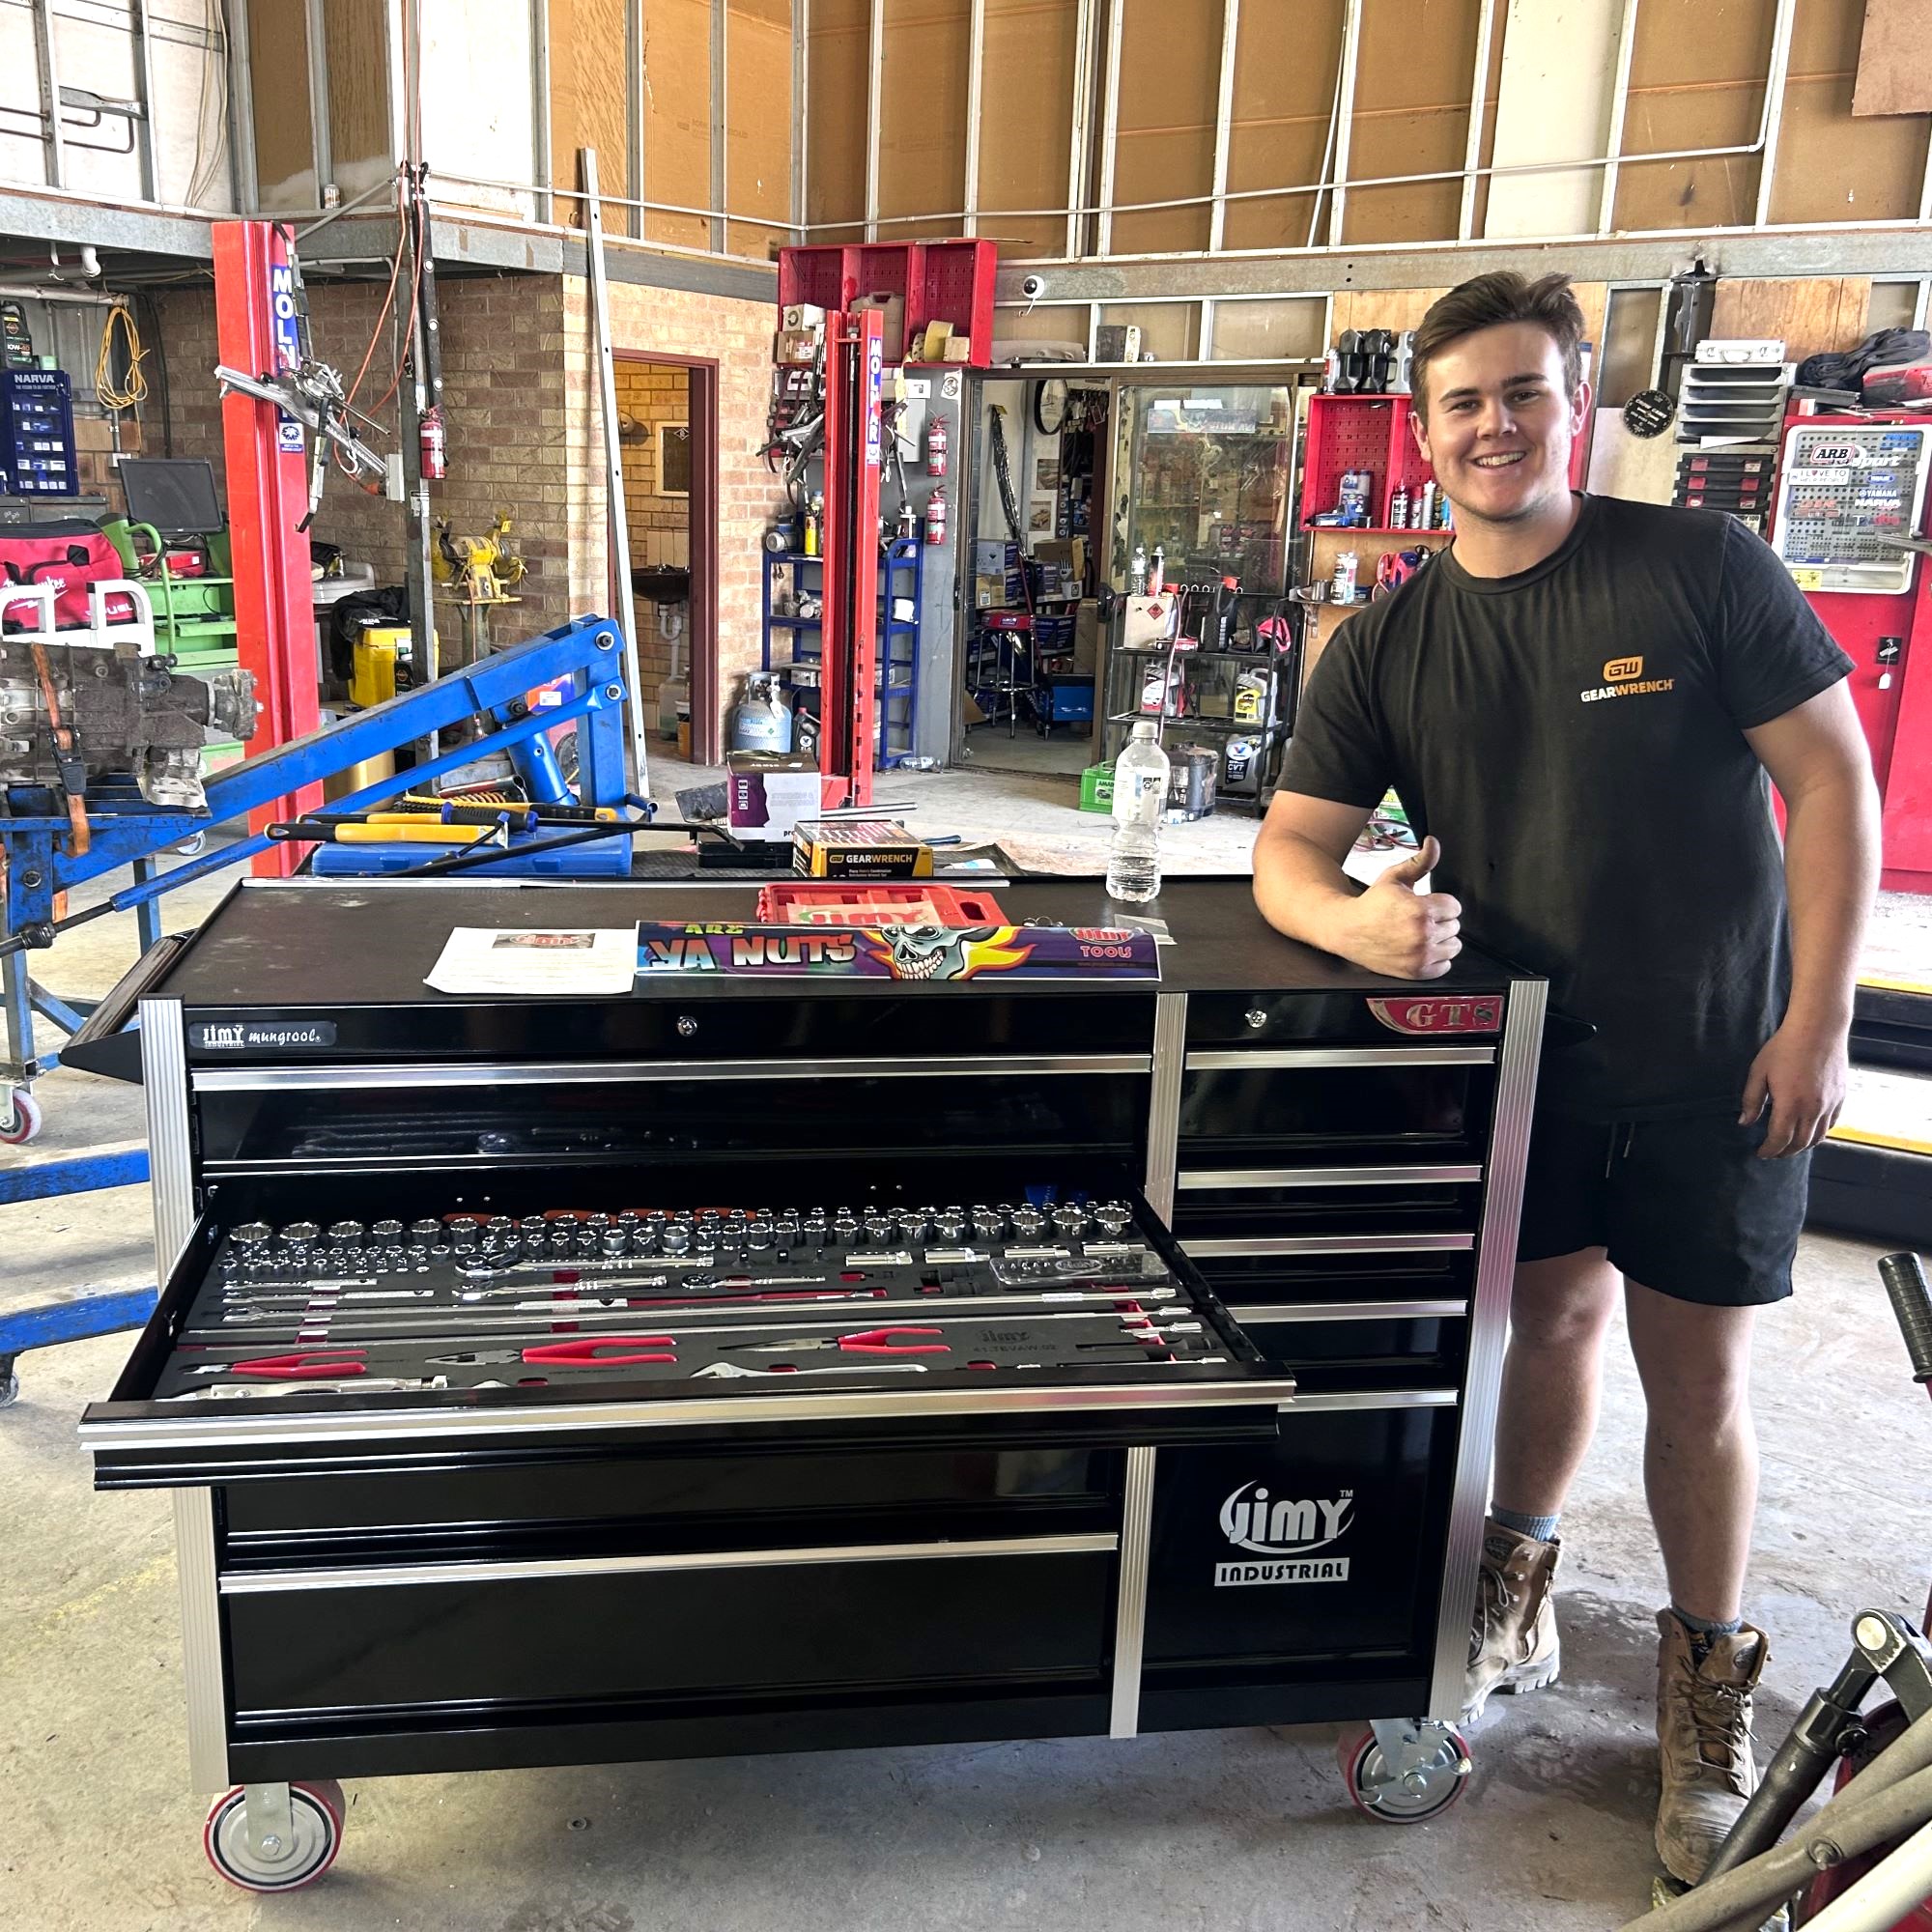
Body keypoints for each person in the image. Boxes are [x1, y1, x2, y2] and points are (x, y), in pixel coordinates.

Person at [1251, 271, 1880, 1886]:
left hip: (1720, 1058)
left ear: (1578, 401)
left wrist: (1820, 1021)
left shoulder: (1699, 567)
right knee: (1545, 1329)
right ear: (1422, 431)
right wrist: (1356, 923)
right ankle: (1513, 1602)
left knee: (1700, 1379)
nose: (1494, 426)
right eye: (1462, 402)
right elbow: (1288, 853)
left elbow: (1833, 779)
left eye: (1524, 392)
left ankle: (1707, 1684)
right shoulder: (1387, 638)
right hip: (1524, 1063)